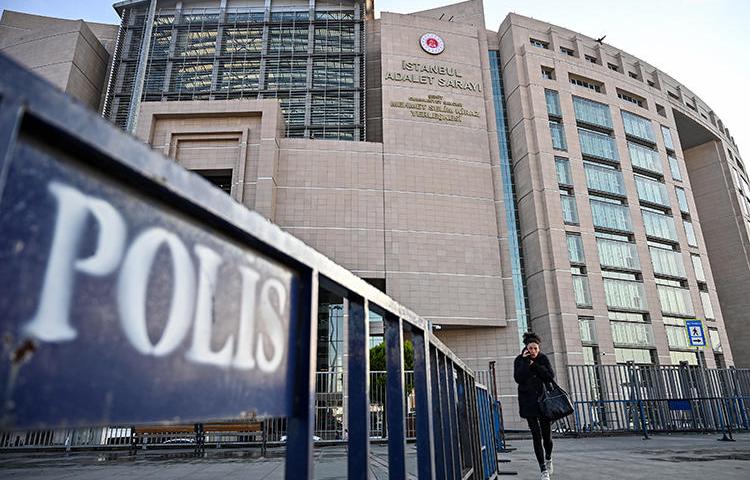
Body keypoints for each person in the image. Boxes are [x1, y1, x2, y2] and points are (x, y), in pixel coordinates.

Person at [514, 332, 555, 479]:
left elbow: (550, 376)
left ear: (538, 348)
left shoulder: (543, 359)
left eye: (535, 348)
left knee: (547, 437)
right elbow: (518, 378)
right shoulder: (519, 360)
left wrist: (535, 365)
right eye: (530, 348)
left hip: (544, 402)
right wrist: (526, 363)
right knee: (536, 436)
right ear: (526, 348)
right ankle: (543, 470)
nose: (533, 351)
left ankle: (548, 457)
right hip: (528, 402)